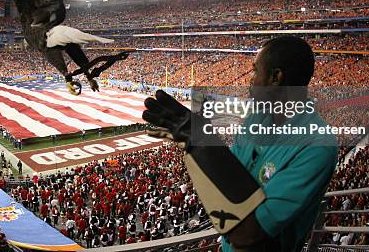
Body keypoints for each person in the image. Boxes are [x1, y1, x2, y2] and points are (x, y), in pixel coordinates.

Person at [143, 36, 338, 252]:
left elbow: (250, 236)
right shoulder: (257, 118)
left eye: (256, 72)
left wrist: (206, 144)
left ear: (275, 77)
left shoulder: (317, 145)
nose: (251, 81)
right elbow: (229, 178)